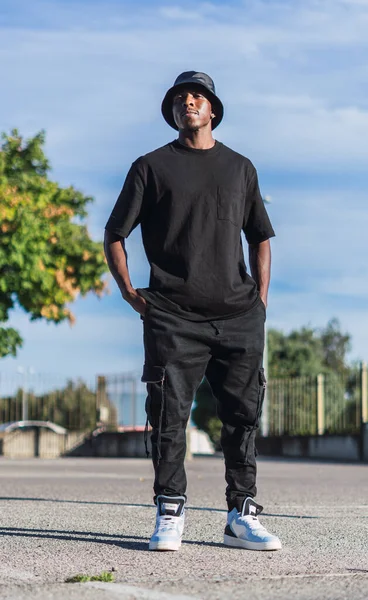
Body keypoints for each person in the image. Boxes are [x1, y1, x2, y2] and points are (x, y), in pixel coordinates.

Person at [104, 71, 281, 552]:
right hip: (173, 316)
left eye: (198, 96)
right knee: (167, 415)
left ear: (213, 109)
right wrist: (128, 293)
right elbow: (114, 234)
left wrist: (259, 304)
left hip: (239, 314)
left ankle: (240, 513)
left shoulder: (240, 168)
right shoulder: (151, 167)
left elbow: (260, 237)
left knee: (243, 415)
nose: (189, 102)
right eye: (181, 97)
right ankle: (170, 510)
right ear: (174, 111)